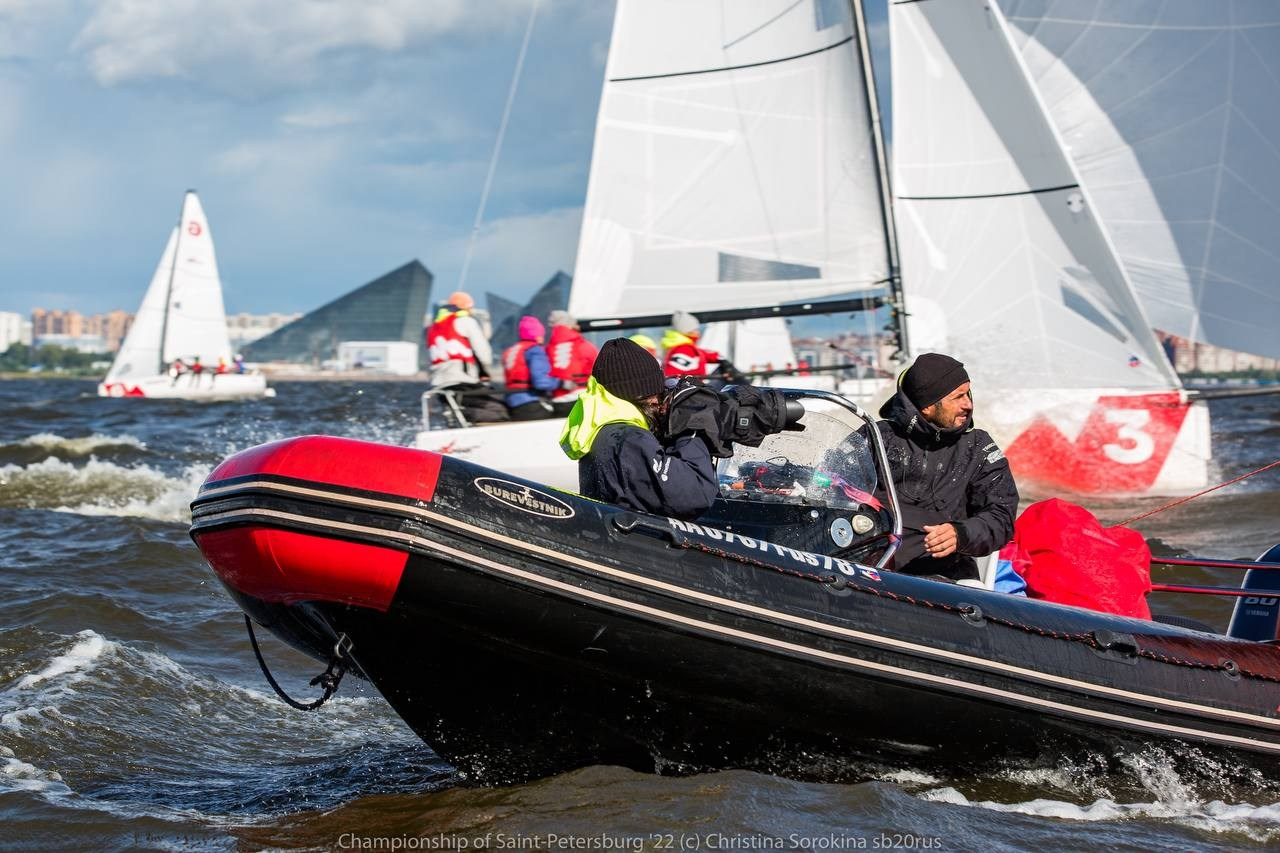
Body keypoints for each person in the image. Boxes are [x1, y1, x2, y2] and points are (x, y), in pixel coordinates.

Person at [873, 353, 1018, 582]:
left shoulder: (978, 447)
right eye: (958, 397)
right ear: (927, 406)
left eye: (968, 393)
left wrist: (960, 534)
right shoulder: (878, 437)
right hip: (876, 567)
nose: (968, 404)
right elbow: (832, 483)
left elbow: (1001, 516)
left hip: (945, 576)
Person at [560, 337, 720, 520]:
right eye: (656, 395)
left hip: (613, 533)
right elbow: (694, 494)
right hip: (634, 543)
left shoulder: (604, 429)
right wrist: (691, 428)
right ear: (642, 394)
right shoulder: (628, 438)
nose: (659, 402)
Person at [426, 291, 500, 423]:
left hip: (440, 386)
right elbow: (485, 355)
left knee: (459, 413)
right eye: (470, 307)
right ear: (465, 307)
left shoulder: (433, 328)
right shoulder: (466, 321)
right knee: (499, 409)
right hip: (464, 383)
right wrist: (483, 371)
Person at [502, 316, 558, 420]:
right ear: (536, 335)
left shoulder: (511, 350)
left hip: (512, 402)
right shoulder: (534, 350)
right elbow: (541, 383)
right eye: (541, 334)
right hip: (530, 402)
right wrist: (560, 383)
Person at [546, 310, 598, 416]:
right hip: (583, 399)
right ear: (571, 325)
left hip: (558, 403)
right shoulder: (585, 345)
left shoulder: (547, 350)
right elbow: (601, 369)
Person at [660, 310, 721, 379]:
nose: (698, 333)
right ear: (687, 331)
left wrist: (719, 358)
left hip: (692, 387)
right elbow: (672, 375)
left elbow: (702, 354)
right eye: (695, 330)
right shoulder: (683, 349)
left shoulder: (683, 346)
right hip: (691, 388)